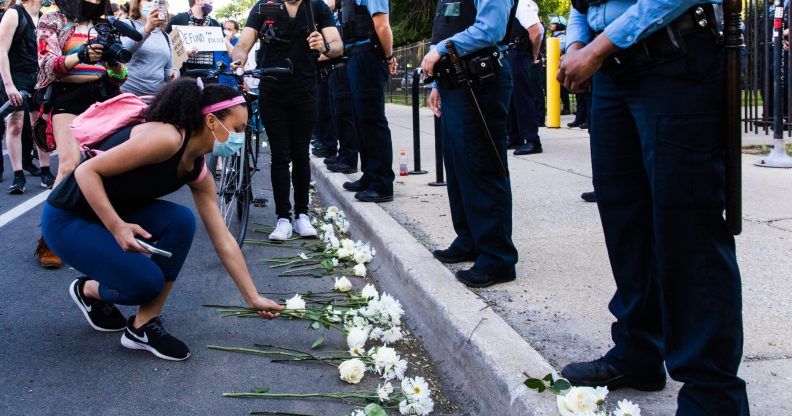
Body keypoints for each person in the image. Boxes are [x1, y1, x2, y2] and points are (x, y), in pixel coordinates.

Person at [557, 2, 749, 414]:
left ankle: (711, 394)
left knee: (688, 232)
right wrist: (577, 44)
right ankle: (638, 352)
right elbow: (582, 4)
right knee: (626, 223)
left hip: (673, 59)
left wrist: (594, 51)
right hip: (612, 70)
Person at [41, 78, 284, 361]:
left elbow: (223, 238)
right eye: (238, 129)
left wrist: (251, 296)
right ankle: (88, 290)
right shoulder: (166, 139)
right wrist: (117, 227)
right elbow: (86, 173)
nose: (239, 139)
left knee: (181, 220)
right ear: (211, 122)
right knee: (145, 283)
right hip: (68, 216)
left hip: (111, 212)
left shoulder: (197, 171)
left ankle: (142, 326)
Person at [421, 0, 518, 288]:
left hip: (481, 81)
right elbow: (448, 27)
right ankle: (469, 239)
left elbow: (489, 29)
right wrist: (437, 84)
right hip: (454, 82)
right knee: (459, 167)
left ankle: (497, 257)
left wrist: (440, 50)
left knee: (483, 167)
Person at [231, 0, 342, 240]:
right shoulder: (263, 7)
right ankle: (283, 218)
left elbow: (337, 46)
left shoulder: (317, 8)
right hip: (272, 89)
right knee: (280, 155)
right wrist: (238, 59)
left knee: (301, 153)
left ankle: (302, 215)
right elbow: (243, 44)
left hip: (306, 89)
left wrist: (324, 46)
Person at [34, 0, 128, 269]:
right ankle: (48, 240)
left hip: (103, 99)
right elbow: (47, 65)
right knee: (68, 167)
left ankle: (99, 232)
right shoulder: (51, 20)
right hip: (67, 98)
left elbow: (119, 76)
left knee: (110, 167)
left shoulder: (105, 25)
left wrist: (113, 62)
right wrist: (80, 56)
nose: (94, 2)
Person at [339, 0, 397, 203]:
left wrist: (389, 57)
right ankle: (370, 175)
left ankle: (382, 182)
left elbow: (382, 25)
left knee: (372, 121)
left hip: (369, 56)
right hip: (357, 55)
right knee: (361, 120)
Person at [0, 0, 55, 193]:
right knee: (15, 125)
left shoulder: (44, 18)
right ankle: (18, 175)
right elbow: (1, 50)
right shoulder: (14, 14)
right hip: (16, 78)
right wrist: (8, 84)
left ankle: (46, 171)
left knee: (40, 125)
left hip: (38, 78)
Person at [508, 0, 544, 156]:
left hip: (519, 53)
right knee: (510, 99)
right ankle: (514, 136)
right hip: (509, 53)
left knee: (522, 98)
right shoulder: (508, 4)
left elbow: (536, 32)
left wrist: (533, 55)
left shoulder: (522, 3)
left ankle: (532, 140)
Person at [120, 0, 177, 96]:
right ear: (138, 4)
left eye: (159, 1)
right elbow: (123, 53)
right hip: (130, 98)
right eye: (149, 0)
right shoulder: (127, 25)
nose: (155, 3)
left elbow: (169, 68)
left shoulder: (165, 36)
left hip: (156, 100)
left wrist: (173, 74)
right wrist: (146, 30)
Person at [165, 0, 219, 75]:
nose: (212, 2)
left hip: (209, 77)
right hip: (184, 76)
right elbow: (165, 46)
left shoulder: (214, 23)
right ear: (198, 1)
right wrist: (183, 54)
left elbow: (226, 45)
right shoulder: (179, 19)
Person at [215, 19, 239, 88]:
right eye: (225, 29)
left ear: (236, 31)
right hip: (218, 81)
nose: (226, 31)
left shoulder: (239, 43)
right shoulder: (217, 41)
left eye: (229, 29)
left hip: (233, 81)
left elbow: (236, 56)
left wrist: (227, 43)